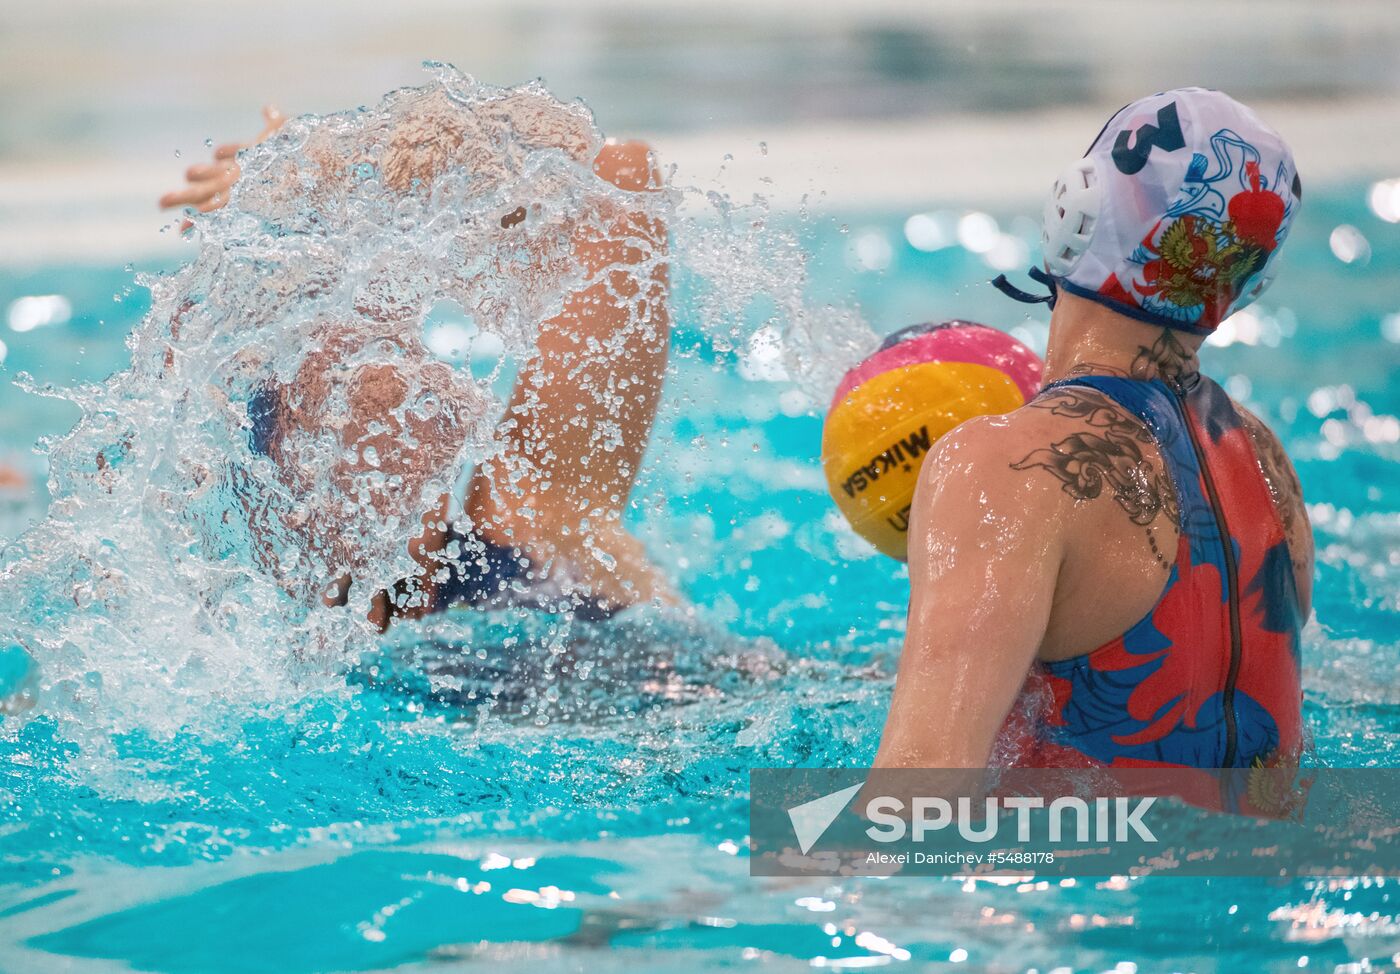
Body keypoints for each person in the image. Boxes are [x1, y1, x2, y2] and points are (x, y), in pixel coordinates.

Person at [872, 88, 1311, 770]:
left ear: (1075, 206)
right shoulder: (1263, 459)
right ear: (1249, 279)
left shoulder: (1002, 466)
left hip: (1074, 870)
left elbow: (912, 805)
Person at [161, 99, 675, 632]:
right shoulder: (537, 535)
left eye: (399, 353)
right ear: (300, 492)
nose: (417, 388)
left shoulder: (533, 530)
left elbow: (616, 181)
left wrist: (334, 165)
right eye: (360, 396)